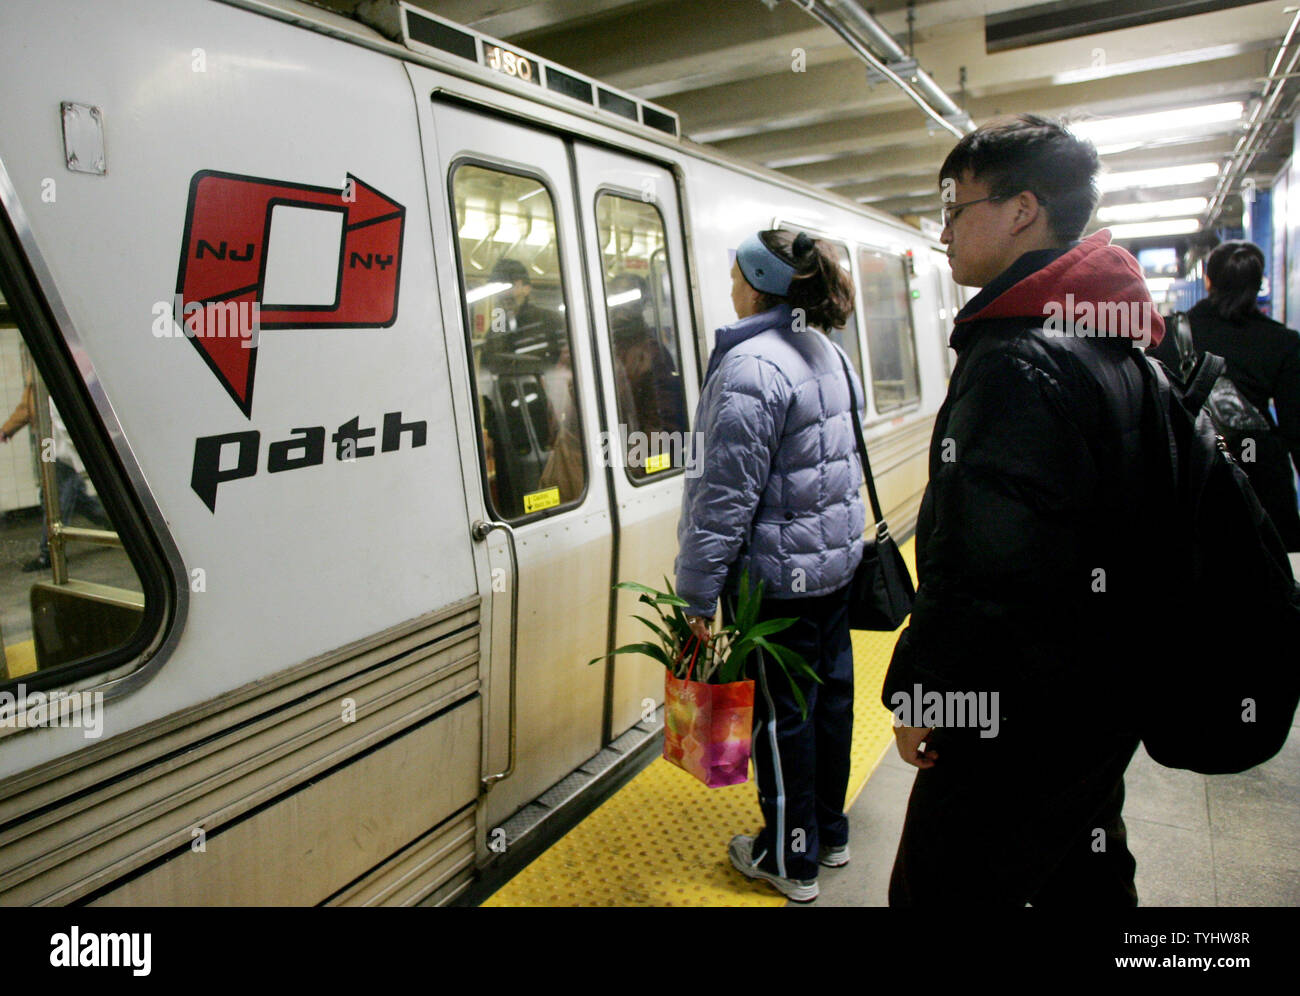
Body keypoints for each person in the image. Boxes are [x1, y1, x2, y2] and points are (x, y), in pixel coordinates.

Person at [883, 114, 1163, 906]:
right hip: (1090, 693)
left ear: (1020, 210)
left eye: (953, 207)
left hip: (1014, 709)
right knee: (1086, 871)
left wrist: (928, 691)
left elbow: (987, 564)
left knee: (942, 892)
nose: (942, 233)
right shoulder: (1109, 336)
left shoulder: (1016, 359)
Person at [674, 229, 864, 902]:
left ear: (756, 283)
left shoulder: (751, 366)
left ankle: (789, 856)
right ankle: (830, 832)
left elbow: (721, 498)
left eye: (734, 274)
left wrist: (693, 597)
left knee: (782, 717)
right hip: (834, 568)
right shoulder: (827, 352)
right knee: (830, 701)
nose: (729, 285)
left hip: (779, 582)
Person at [1150, 240, 1300, 549]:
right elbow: (1295, 429)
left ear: (1208, 279)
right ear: (1259, 284)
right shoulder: (1284, 341)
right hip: (1264, 483)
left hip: (1194, 480)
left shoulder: (1168, 334)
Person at [0, 376, 111, 572]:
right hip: (49, 441)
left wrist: (7, 429)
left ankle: (49, 553)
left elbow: (28, 407)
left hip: (54, 442)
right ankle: (115, 524)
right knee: (72, 495)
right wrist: (7, 429)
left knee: (55, 497)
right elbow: (29, 406)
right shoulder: (38, 370)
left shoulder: (40, 367)